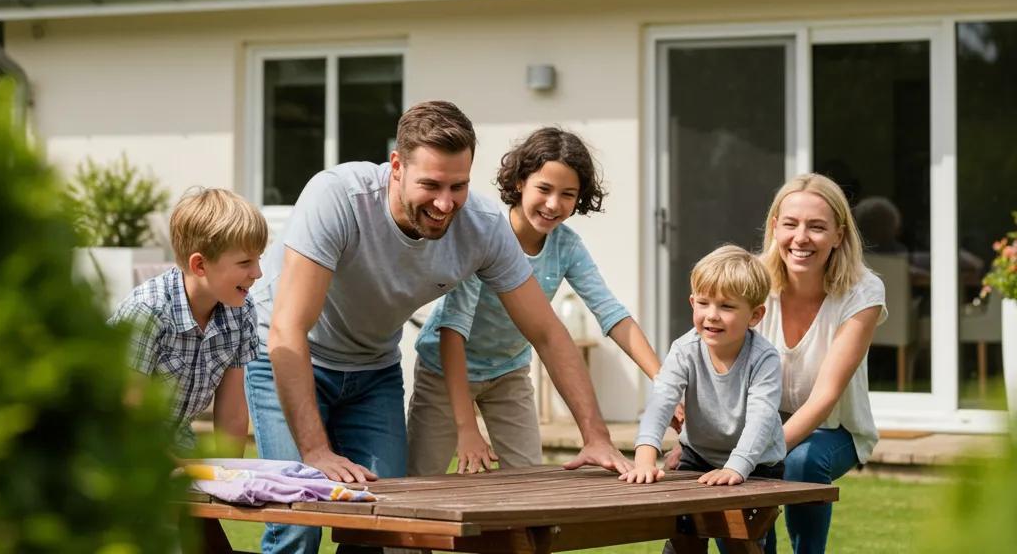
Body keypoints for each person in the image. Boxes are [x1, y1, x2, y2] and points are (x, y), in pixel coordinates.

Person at [247, 100, 632, 554]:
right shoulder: (338, 198)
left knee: (384, 521)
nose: (444, 203)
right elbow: (288, 329)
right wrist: (314, 451)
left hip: (372, 372)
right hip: (290, 358)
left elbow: (547, 332)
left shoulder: (483, 228)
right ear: (396, 166)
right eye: (430, 184)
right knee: (300, 518)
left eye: (459, 185)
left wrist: (596, 436)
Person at [408, 127, 663, 475]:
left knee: (529, 482)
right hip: (445, 372)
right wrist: (467, 428)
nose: (553, 204)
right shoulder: (485, 237)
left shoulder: (566, 247)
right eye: (544, 189)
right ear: (519, 183)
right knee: (422, 480)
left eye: (568, 194)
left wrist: (663, 382)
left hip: (507, 373)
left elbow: (612, 314)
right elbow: (453, 329)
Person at [755, 173, 886, 554]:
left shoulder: (863, 290)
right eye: (791, 224)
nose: (801, 238)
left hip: (836, 428)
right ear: (775, 226)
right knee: (722, 476)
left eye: (817, 227)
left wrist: (757, 451)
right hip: (762, 419)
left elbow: (825, 395)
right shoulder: (751, 278)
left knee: (800, 463)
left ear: (839, 235)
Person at [109, 187, 268, 453]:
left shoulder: (241, 311)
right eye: (245, 262)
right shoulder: (149, 311)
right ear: (200, 266)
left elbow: (232, 411)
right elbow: (127, 409)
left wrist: (230, 477)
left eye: (259, 259)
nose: (258, 272)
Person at [621, 244, 785, 487]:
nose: (712, 315)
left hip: (757, 462)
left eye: (726, 306)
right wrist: (645, 460)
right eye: (703, 303)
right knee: (683, 519)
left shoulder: (764, 359)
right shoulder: (684, 350)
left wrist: (735, 468)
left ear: (755, 316)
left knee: (750, 524)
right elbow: (661, 403)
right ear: (692, 302)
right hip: (698, 455)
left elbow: (760, 421)